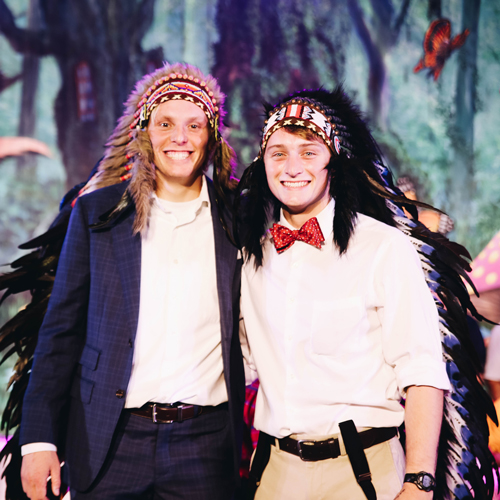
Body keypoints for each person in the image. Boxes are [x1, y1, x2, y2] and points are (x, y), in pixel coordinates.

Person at [19, 62, 245, 500]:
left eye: (194, 125)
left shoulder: (239, 217)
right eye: (165, 124)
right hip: (108, 440)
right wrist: (39, 439)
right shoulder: (97, 215)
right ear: (144, 133)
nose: (179, 138)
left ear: (212, 136)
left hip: (205, 446)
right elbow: (60, 332)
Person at [236, 87, 455, 500]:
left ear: (333, 163)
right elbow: (240, 360)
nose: (292, 166)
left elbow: (423, 370)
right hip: (275, 472)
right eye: (278, 153)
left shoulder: (382, 247)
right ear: (262, 162)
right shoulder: (252, 255)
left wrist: (419, 481)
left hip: (363, 471)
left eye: (309, 151)